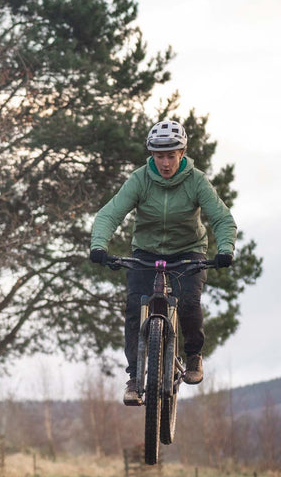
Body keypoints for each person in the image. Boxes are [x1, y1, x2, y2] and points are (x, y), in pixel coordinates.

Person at [89, 119, 236, 405]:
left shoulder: (196, 181)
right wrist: (99, 245)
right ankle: (134, 378)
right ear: (151, 155)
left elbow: (221, 218)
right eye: (159, 156)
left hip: (188, 251)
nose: (165, 163)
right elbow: (110, 214)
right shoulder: (140, 179)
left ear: (182, 153)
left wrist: (226, 248)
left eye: (171, 155)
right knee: (134, 307)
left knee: (190, 302)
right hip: (146, 252)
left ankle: (193, 356)